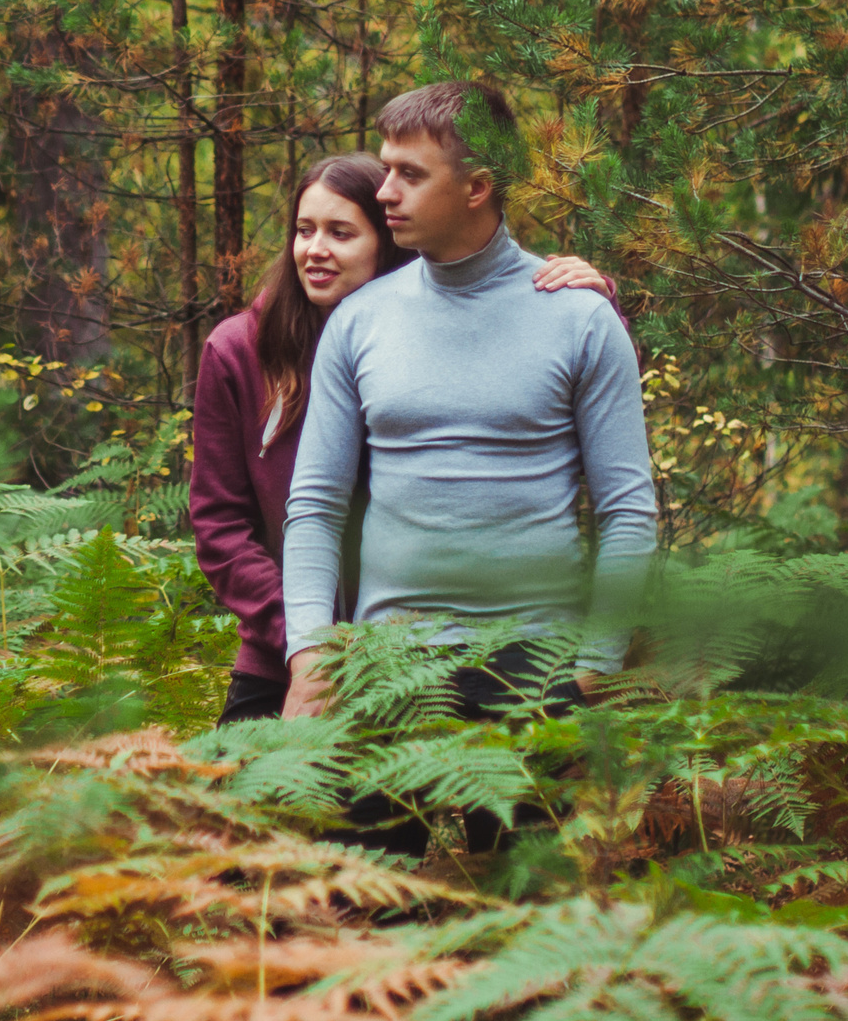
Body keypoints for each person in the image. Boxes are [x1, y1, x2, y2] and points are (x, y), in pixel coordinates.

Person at [278, 82, 658, 765]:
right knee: (373, 873)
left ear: (478, 185)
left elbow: (628, 509)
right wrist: (309, 649)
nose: (385, 191)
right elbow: (314, 505)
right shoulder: (359, 321)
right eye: (386, 168)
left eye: (410, 175)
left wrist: (596, 661)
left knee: (523, 875)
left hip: (539, 667)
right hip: (388, 664)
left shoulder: (579, 316)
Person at [187, 151, 618, 726]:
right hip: (287, 650)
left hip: (421, 647)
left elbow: (559, 399)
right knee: (243, 805)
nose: (315, 249)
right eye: (304, 229)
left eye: (341, 233)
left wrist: (595, 303)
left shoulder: (436, 336)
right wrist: (306, 639)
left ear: (386, 242)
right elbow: (219, 527)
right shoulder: (238, 351)